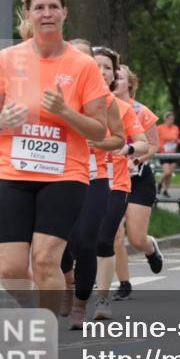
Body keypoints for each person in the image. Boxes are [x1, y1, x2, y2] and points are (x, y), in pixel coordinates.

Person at [0, 0, 108, 313]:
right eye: (39, 7)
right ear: (28, 14)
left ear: (65, 12)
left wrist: (65, 112)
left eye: (53, 7)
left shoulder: (83, 65)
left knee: (45, 259)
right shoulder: (7, 59)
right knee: (9, 267)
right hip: (12, 170)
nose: (46, 13)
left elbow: (98, 128)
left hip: (63, 174)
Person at [59, 39, 128, 329]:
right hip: (56, 177)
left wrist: (93, 140)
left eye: (84, 58)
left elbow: (119, 138)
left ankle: (79, 304)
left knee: (87, 243)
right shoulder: (52, 91)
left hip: (93, 177)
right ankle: (68, 281)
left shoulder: (104, 98)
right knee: (59, 244)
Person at [89, 49, 150, 322]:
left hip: (115, 181)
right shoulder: (75, 105)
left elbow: (144, 143)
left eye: (106, 67)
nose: (100, 71)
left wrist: (125, 148)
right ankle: (71, 287)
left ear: (114, 75)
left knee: (106, 238)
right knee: (72, 244)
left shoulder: (123, 108)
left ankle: (102, 298)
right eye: (95, 65)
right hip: (79, 178)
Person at [111, 65, 163, 300]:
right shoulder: (101, 108)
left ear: (129, 84)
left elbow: (153, 144)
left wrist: (136, 158)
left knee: (136, 237)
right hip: (112, 177)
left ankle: (150, 247)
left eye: (119, 78)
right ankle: (124, 283)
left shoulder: (141, 111)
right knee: (115, 235)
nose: (114, 81)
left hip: (139, 179)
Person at [157, 111, 180, 197]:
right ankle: (159, 184)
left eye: (173, 119)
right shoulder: (160, 128)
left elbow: (176, 139)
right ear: (166, 119)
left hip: (173, 153)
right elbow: (155, 139)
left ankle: (166, 190)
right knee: (167, 172)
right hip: (163, 153)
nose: (171, 120)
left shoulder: (175, 128)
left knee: (170, 174)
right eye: (170, 119)